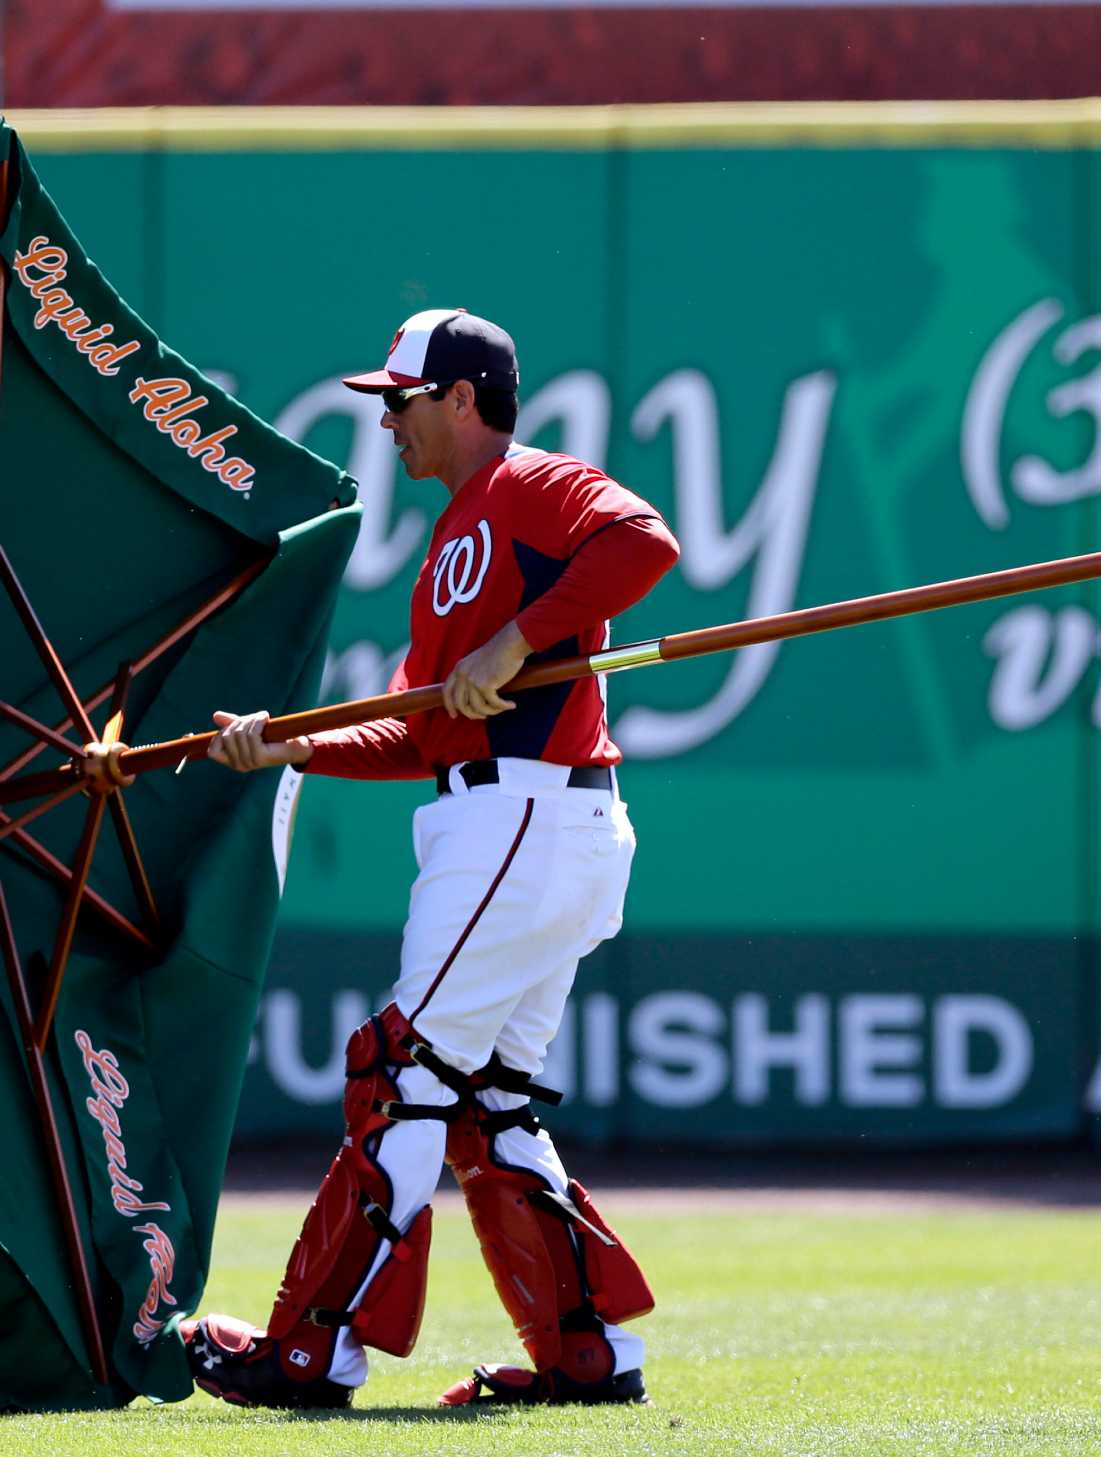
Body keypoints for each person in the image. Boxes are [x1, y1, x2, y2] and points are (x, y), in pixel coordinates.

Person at [181, 308, 680, 1410]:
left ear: (462, 399)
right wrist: (294, 741)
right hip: (528, 823)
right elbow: (419, 732)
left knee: (395, 1073)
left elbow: (643, 540)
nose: (388, 424)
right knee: (484, 1099)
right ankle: (586, 1357)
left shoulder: (530, 483)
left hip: (520, 819)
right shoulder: (452, 537)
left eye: (399, 403)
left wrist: (521, 637)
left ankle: (308, 1351)